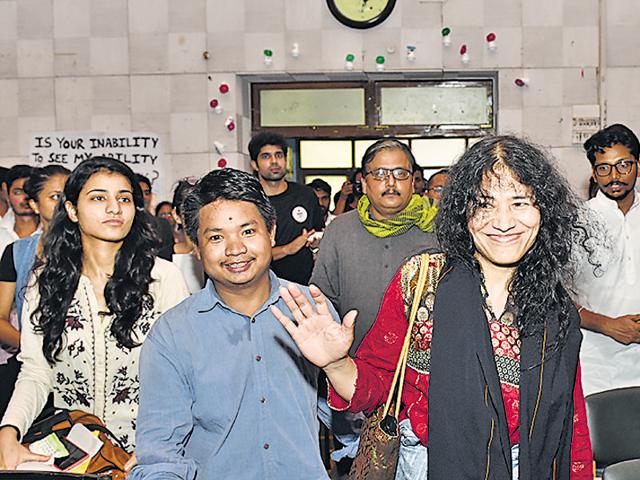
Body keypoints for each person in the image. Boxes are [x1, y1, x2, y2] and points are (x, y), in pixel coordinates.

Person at [275, 136, 593, 479]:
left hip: (528, 467)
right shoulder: (422, 281)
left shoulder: (553, 303)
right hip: (428, 465)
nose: (503, 221)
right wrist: (336, 363)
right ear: (462, 210)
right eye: (484, 203)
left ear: (543, 209)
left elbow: (570, 419)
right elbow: (378, 385)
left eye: (519, 202)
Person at [130, 168, 333, 480]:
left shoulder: (310, 310)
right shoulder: (173, 334)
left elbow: (351, 421)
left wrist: (341, 366)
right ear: (195, 247)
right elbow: (161, 452)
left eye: (248, 232)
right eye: (216, 237)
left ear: (272, 233)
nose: (235, 248)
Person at [0, 157, 189, 470]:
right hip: (74, 456)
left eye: (124, 198)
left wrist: (161, 444)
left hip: (146, 455)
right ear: (72, 210)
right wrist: (9, 432)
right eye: (99, 197)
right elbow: (36, 372)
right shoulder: (46, 282)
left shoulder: (162, 279)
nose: (114, 208)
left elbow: (183, 374)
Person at [310, 138, 438, 464]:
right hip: (355, 375)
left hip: (425, 383)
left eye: (400, 173)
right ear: (363, 183)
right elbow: (323, 297)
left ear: (415, 181)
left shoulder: (439, 230)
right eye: (380, 173)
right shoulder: (340, 230)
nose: (391, 182)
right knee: (364, 465)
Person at [573, 124, 640, 395]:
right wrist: (606, 324)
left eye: (624, 165)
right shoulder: (577, 222)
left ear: (638, 165)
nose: (614, 176)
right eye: (604, 168)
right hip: (596, 368)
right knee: (603, 437)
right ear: (593, 172)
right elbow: (554, 294)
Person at [0, 165, 70, 418]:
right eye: (55, 197)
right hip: (29, 369)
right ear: (34, 204)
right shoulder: (17, 253)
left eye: (68, 195)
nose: (63, 203)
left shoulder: (95, 249)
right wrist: (34, 348)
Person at [249, 132, 324, 285]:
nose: (274, 161)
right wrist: (288, 249)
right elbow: (248, 254)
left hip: (303, 287)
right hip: (260, 288)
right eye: (266, 156)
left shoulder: (305, 195)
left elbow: (318, 232)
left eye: (279, 155)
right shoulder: (248, 201)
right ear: (254, 165)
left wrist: (315, 244)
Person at [170, 179, 204, 294]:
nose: (195, 216)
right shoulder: (162, 258)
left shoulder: (218, 254)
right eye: (188, 210)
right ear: (176, 215)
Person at [0, 165, 38, 255]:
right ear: (6, 193)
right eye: (18, 192)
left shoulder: (53, 233)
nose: (26, 197)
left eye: (30, 191)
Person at [136, 174, 174, 261]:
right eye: (139, 193)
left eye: (147, 193)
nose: (144, 197)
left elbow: (168, 256)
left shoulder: (163, 224)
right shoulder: (123, 224)